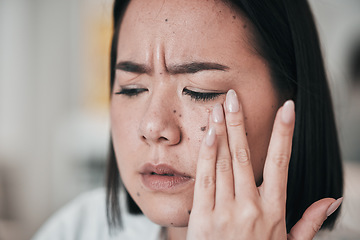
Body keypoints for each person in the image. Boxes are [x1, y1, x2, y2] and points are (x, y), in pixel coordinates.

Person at [32, 0, 344, 239]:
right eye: (132, 89)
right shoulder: (78, 228)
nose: (152, 127)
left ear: (292, 99)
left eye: (200, 92)